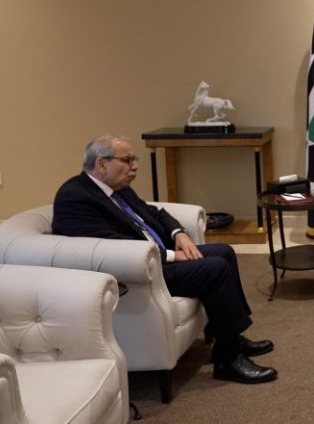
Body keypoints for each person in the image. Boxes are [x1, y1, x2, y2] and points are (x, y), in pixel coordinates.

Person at [52, 134, 277, 384]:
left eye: (135, 159)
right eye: (127, 160)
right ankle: (228, 359)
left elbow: (155, 213)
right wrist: (171, 255)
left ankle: (230, 337)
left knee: (223, 251)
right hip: (141, 272)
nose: (135, 166)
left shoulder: (117, 188)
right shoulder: (75, 198)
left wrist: (179, 234)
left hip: (158, 257)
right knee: (214, 268)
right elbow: (109, 248)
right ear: (101, 164)